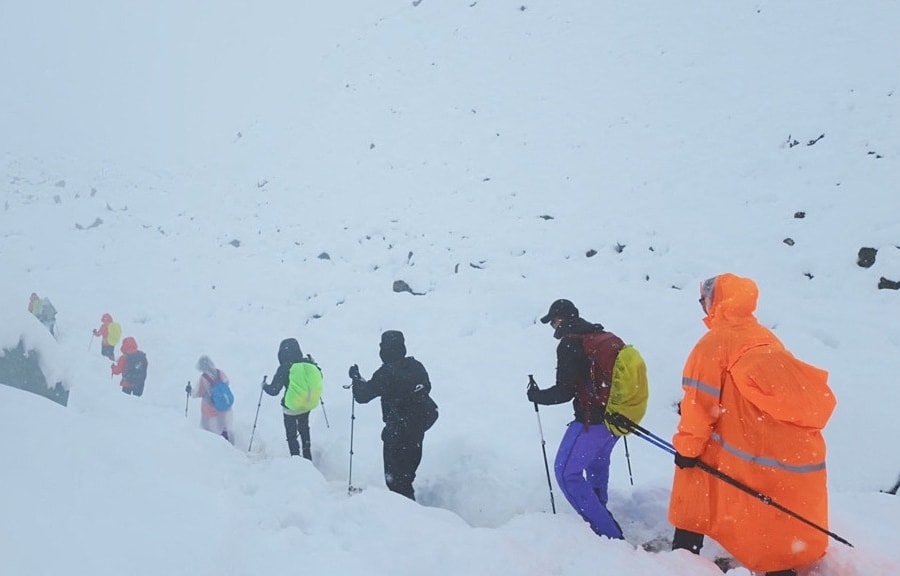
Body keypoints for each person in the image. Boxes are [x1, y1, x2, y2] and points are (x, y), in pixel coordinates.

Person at [669, 273, 835, 576]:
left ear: (713, 302)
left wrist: (687, 449)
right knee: (768, 511)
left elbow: (698, 407)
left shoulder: (712, 345)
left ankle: (683, 558)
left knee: (694, 486)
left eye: (703, 301)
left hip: (737, 444)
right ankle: (780, 565)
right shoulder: (764, 336)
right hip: (772, 447)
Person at [526, 298, 628, 540]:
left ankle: (607, 533)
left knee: (566, 472)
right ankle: (600, 513)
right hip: (615, 419)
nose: (553, 327)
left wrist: (536, 396)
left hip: (591, 421)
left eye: (552, 322)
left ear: (559, 320)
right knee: (596, 465)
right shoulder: (599, 335)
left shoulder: (570, 343)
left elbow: (565, 391)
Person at [348, 330, 438, 501]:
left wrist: (356, 378)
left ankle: (405, 517)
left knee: (396, 481)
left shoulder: (386, 373)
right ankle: (410, 512)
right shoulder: (416, 366)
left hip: (397, 433)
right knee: (407, 477)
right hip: (417, 430)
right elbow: (426, 388)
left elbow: (363, 396)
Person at [263, 338, 323, 460]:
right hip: (307, 405)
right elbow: (319, 377)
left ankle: (296, 459)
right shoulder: (309, 364)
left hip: (290, 407)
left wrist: (264, 385)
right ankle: (307, 456)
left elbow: (274, 390)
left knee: (291, 435)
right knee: (304, 429)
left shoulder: (285, 367)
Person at [186, 355, 234, 444]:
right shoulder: (220, 372)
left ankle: (211, 448)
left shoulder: (204, 378)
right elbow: (227, 383)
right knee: (223, 427)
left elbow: (197, 393)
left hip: (210, 408)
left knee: (207, 431)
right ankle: (228, 441)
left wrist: (190, 391)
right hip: (225, 406)